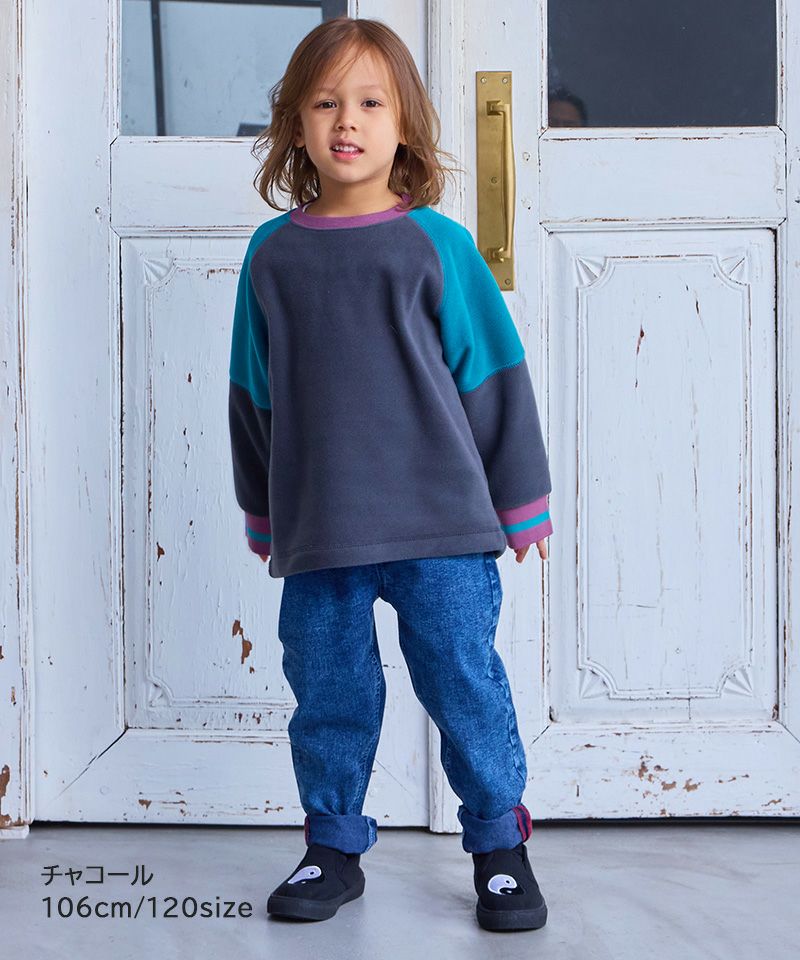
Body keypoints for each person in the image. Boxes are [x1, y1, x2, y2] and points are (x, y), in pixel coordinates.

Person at [228, 15, 552, 933]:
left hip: (442, 526)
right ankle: (332, 847)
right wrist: (262, 513)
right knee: (329, 693)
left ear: (403, 122)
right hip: (321, 529)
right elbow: (252, 392)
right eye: (325, 103)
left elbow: (495, 377)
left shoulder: (437, 246)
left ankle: (499, 846)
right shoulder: (272, 256)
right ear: (294, 123)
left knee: (462, 681)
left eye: (371, 103)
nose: (348, 121)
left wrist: (521, 501)